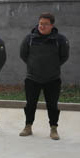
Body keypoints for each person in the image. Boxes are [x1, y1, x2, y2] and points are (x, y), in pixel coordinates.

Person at [19, 12, 69, 140]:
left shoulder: (60, 40)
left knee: (52, 105)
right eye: (40, 23)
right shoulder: (29, 38)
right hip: (32, 78)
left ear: (52, 25)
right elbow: (23, 55)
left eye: (46, 24)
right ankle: (28, 126)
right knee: (30, 104)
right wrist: (33, 65)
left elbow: (64, 56)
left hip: (52, 78)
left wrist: (52, 66)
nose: (42, 26)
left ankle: (53, 128)